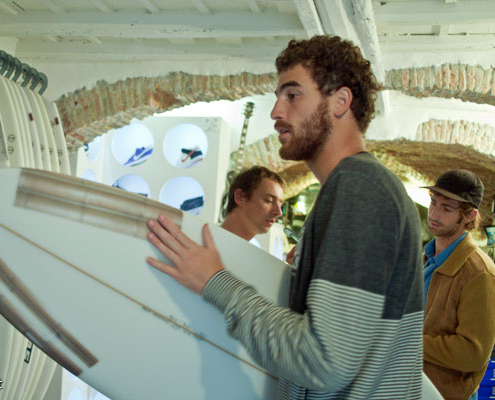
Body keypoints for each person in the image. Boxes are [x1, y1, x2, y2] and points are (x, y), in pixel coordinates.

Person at [145, 35, 424, 399]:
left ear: (340, 102)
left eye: (293, 95)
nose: (276, 112)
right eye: (278, 96)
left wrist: (215, 281)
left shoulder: (359, 186)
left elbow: (322, 363)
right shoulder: (358, 186)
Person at [421, 169, 495, 400]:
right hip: (411, 387)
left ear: (470, 215)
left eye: (446, 208)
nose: (434, 213)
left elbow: (473, 353)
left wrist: (408, 341)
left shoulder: (479, 273)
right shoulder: (425, 258)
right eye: (434, 203)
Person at [220, 166, 285, 241]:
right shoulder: (209, 242)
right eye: (268, 200)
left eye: (280, 205)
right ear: (240, 197)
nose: (279, 212)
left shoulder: (253, 247)